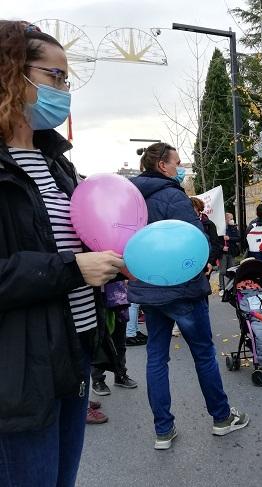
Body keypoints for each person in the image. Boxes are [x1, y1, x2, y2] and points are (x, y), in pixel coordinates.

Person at [0, 21, 124, 486]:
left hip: (72, 356)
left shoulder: (58, 163)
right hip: (17, 373)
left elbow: (71, 247)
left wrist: (111, 262)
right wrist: (72, 269)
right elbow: (61, 266)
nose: (65, 90)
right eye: (55, 77)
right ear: (12, 74)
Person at [128, 142, 249, 450]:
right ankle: (221, 417)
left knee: (156, 357)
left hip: (150, 289)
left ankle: (163, 430)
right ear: (162, 166)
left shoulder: (131, 198)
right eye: (177, 163)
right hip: (182, 289)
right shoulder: (173, 197)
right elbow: (194, 240)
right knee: (204, 354)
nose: (181, 169)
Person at [91, 280, 137, 396]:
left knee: (120, 340)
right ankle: (98, 380)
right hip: (96, 294)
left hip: (118, 295)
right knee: (99, 341)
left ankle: (120, 374)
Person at [190, 197, 219, 267]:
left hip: (205, 262)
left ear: (197, 207)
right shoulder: (186, 224)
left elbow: (214, 244)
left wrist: (210, 262)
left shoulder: (209, 224)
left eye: (191, 207)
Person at [218, 212, 241, 297]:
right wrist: (221, 248)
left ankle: (229, 287)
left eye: (232, 218)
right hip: (223, 252)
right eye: (230, 218)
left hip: (231, 252)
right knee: (223, 271)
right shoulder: (220, 228)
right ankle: (222, 288)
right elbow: (216, 240)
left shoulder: (234, 228)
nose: (232, 220)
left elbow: (238, 238)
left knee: (231, 270)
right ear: (225, 219)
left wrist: (229, 238)